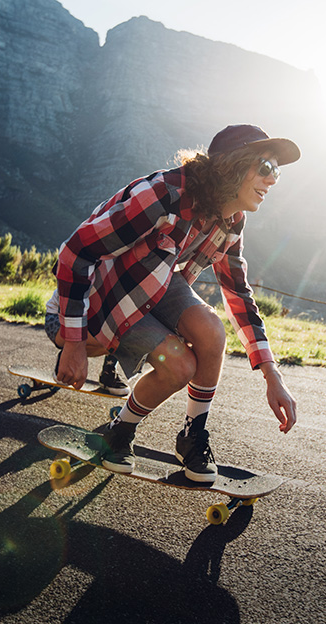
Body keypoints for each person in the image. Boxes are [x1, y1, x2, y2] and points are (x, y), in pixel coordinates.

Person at [43, 124, 299, 483]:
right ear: (233, 164)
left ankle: (191, 436)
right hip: (94, 301)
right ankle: (120, 433)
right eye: (266, 167)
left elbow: (238, 294)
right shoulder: (163, 195)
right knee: (179, 366)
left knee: (211, 331)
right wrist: (73, 342)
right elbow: (76, 251)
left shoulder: (232, 221)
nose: (272, 180)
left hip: (152, 284)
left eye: (277, 171)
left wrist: (273, 376)